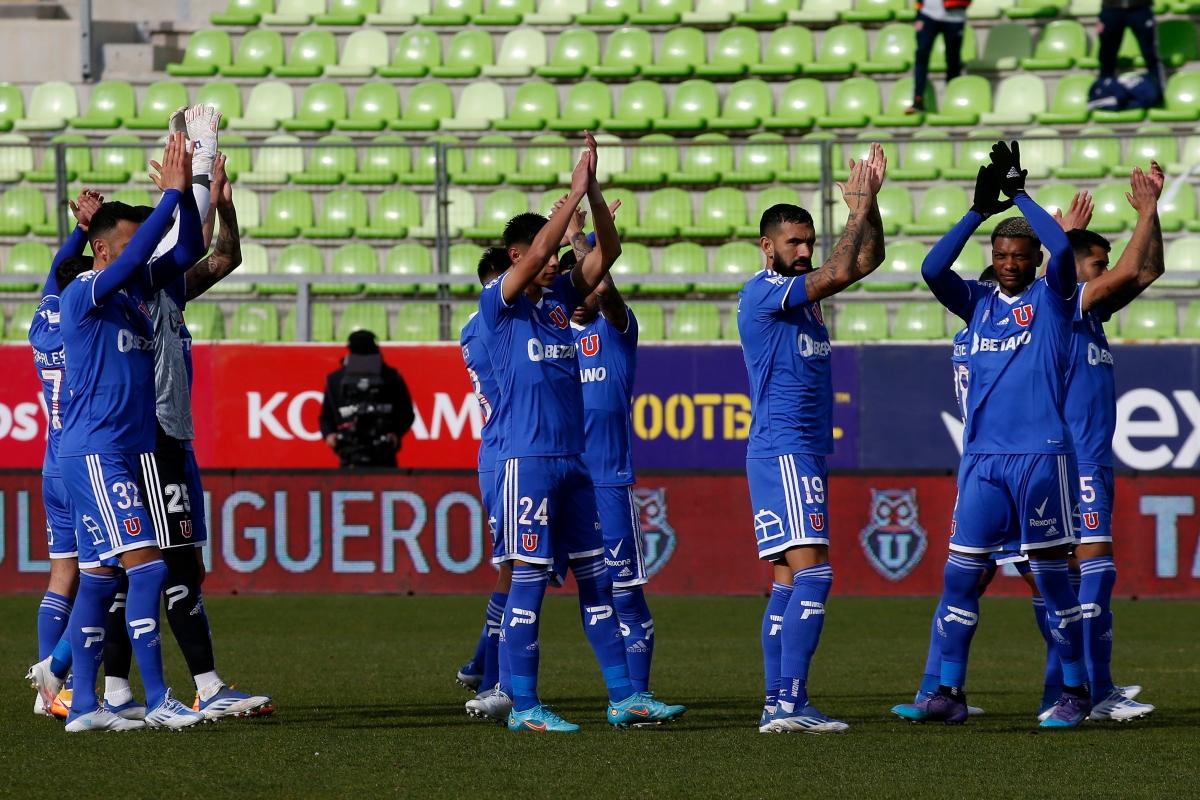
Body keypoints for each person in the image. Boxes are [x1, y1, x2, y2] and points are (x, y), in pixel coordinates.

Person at [481, 133, 684, 732]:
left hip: (575, 464)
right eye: (539, 255)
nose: (553, 262)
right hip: (527, 461)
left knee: (599, 584)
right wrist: (567, 200)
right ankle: (524, 706)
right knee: (529, 585)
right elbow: (548, 243)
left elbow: (608, 251)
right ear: (516, 257)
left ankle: (625, 698)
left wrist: (592, 194)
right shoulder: (500, 305)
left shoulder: (556, 304)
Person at [894, 142, 1091, 728]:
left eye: (1019, 256)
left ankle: (1076, 692)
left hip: (1042, 458)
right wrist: (977, 211)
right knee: (960, 578)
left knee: (1054, 581)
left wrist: (1021, 195)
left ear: (1032, 261)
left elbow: (1062, 247)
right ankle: (948, 693)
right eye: (1002, 254)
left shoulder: (1052, 300)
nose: (1010, 263)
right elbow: (931, 269)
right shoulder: (976, 303)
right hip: (980, 462)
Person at [56, 132, 207, 731]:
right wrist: (169, 197)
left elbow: (189, 246)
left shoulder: (140, 293)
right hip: (99, 454)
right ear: (100, 251)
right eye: (125, 247)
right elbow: (135, 252)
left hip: (121, 453)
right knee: (147, 570)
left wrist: (188, 198)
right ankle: (160, 697)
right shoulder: (83, 294)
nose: (139, 257)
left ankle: (86, 707)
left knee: (98, 580)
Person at [743, 144, 887, 734]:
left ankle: (777, 704)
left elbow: (863, 262)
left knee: (785, 582)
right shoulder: (764, 292)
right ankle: (791, 703)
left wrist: (869, 206)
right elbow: (839, 270)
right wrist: (855, 208)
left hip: (789, 450)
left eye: (808, 240)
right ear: (767, 246)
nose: (803, 250)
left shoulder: (803, 296)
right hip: (785, 448)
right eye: (792, 242)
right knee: (815, 576)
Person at [1053, 172, 1164, 723]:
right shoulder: (1066, 303)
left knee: (1075, 578)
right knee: (1095, 570)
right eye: (1095, 264)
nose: (1107, 273)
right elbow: (1126, 269)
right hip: (1075, 461)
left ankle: (1079, 688)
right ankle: (1096, 691)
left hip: (1089, 458)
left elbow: (1146, 270)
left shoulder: (1089, 315)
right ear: (1073, 270)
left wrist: (1154, 217)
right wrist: (1144, 212)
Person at [565, 213, 658, 695]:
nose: (580, 295)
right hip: (555, 482)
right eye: (569, 287)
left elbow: (605, 290)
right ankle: (501, 685)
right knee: (522, 586)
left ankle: (636, 694)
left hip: (607, 483)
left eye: (584, 285)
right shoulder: (545, 337)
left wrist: (579, 237)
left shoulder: (618, 333)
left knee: (624, 594)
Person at [25, 191, 103, 717]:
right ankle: (57, 673)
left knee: (61, 575)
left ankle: (45, 693)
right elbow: (68, 275)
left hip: (52, 461)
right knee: (103, 574)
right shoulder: (84, 326)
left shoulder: (41, 322)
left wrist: (79, 233)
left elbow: (57, 271)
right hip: (82, 460)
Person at [459, 246, 516, 722]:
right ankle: (496, 678)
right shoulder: (499, 326)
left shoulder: (471, 327)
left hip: (498, 454)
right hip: (512, 454)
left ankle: (483, 661)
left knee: (516, 568)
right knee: (516, 570)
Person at [319, 331, 416, 468]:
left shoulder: (392, 378)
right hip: (351, 449)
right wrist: (330, 435)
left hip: (380, 450)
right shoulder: (336, 380)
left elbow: (406, 414)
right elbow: (327, 415)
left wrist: (394, 434)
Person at [1097, 0, 1166, 99]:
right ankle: (1102, 92)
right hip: (1111, 9)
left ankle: (1159, 93)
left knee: (1151, 54)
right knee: (1107, 56)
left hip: (1139, 8)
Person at [908, 0, 967, 114]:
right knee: (921, 54)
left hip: (955, 15)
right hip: (927, 12)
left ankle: (952, 100)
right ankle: (918, 99)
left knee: (953, 58)